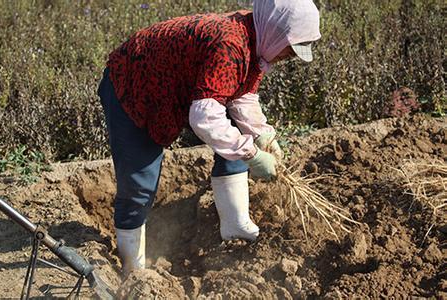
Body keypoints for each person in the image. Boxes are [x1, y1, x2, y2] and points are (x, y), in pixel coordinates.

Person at [98, 0, 321, 275]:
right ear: (277, 30)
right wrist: (251, 154)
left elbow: (241, 96)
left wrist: (262, 135)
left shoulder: (257, 39)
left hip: (179, 87)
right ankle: (133, 269)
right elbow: (204, 117)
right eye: (291, 47)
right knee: (139, 183)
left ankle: (235, 225)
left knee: (237, 138)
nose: (290, 56)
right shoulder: (231, 45)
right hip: (136, 85)